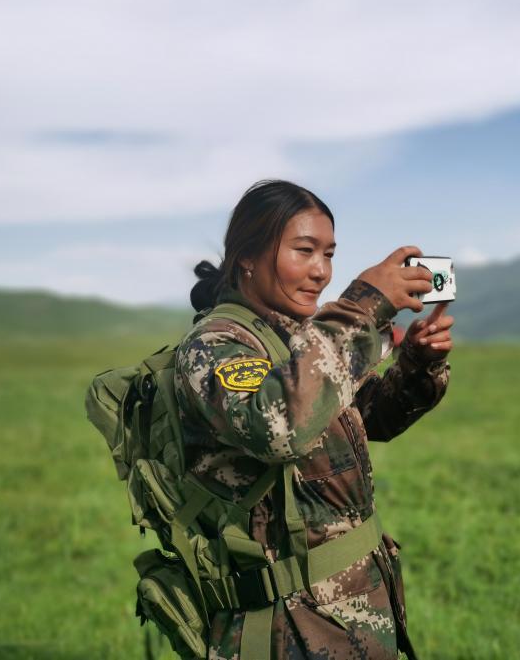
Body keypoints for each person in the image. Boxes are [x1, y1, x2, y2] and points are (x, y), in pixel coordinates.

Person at [175, 179, 453, 659]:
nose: (321, 271)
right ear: (248, 257)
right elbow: (278, 428)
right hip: (286, 628)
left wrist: (419, 363)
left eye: (329, 254)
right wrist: (364, 304)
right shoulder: (216, 345)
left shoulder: (298, 340)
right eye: (304, 251)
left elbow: (370, 418)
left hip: (351, 614)